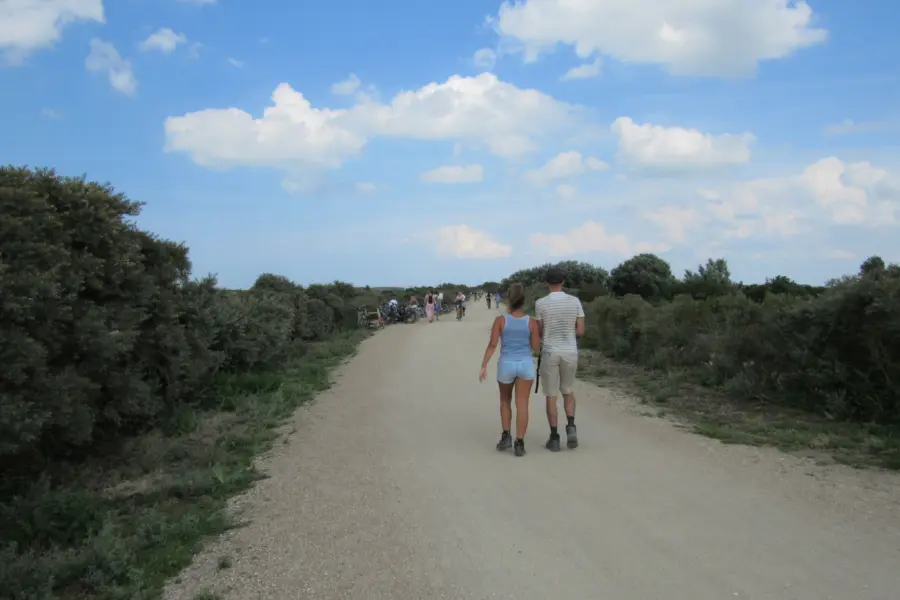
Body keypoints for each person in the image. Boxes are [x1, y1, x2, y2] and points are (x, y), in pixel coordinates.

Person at [479, 283, 540, 457]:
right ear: (523, 301)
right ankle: (519, 442)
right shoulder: (532, 322)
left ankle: (506, 435)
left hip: (506, 364)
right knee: (522, 404)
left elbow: (492, 344)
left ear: (509, 299)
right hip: (525, 365)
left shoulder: (501, 320)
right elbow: (535, 347)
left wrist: (484, 365)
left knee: (505, 401)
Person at [534, 267, 585, 452]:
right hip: (570, 351)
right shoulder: (575, 301)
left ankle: (554, 437)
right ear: (563, 282)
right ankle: (571, 426)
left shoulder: (540, 303)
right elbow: (580, 330)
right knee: (568, 390)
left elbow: (539, 331)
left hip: (550, 351)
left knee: (551, 394)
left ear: (546, 283)